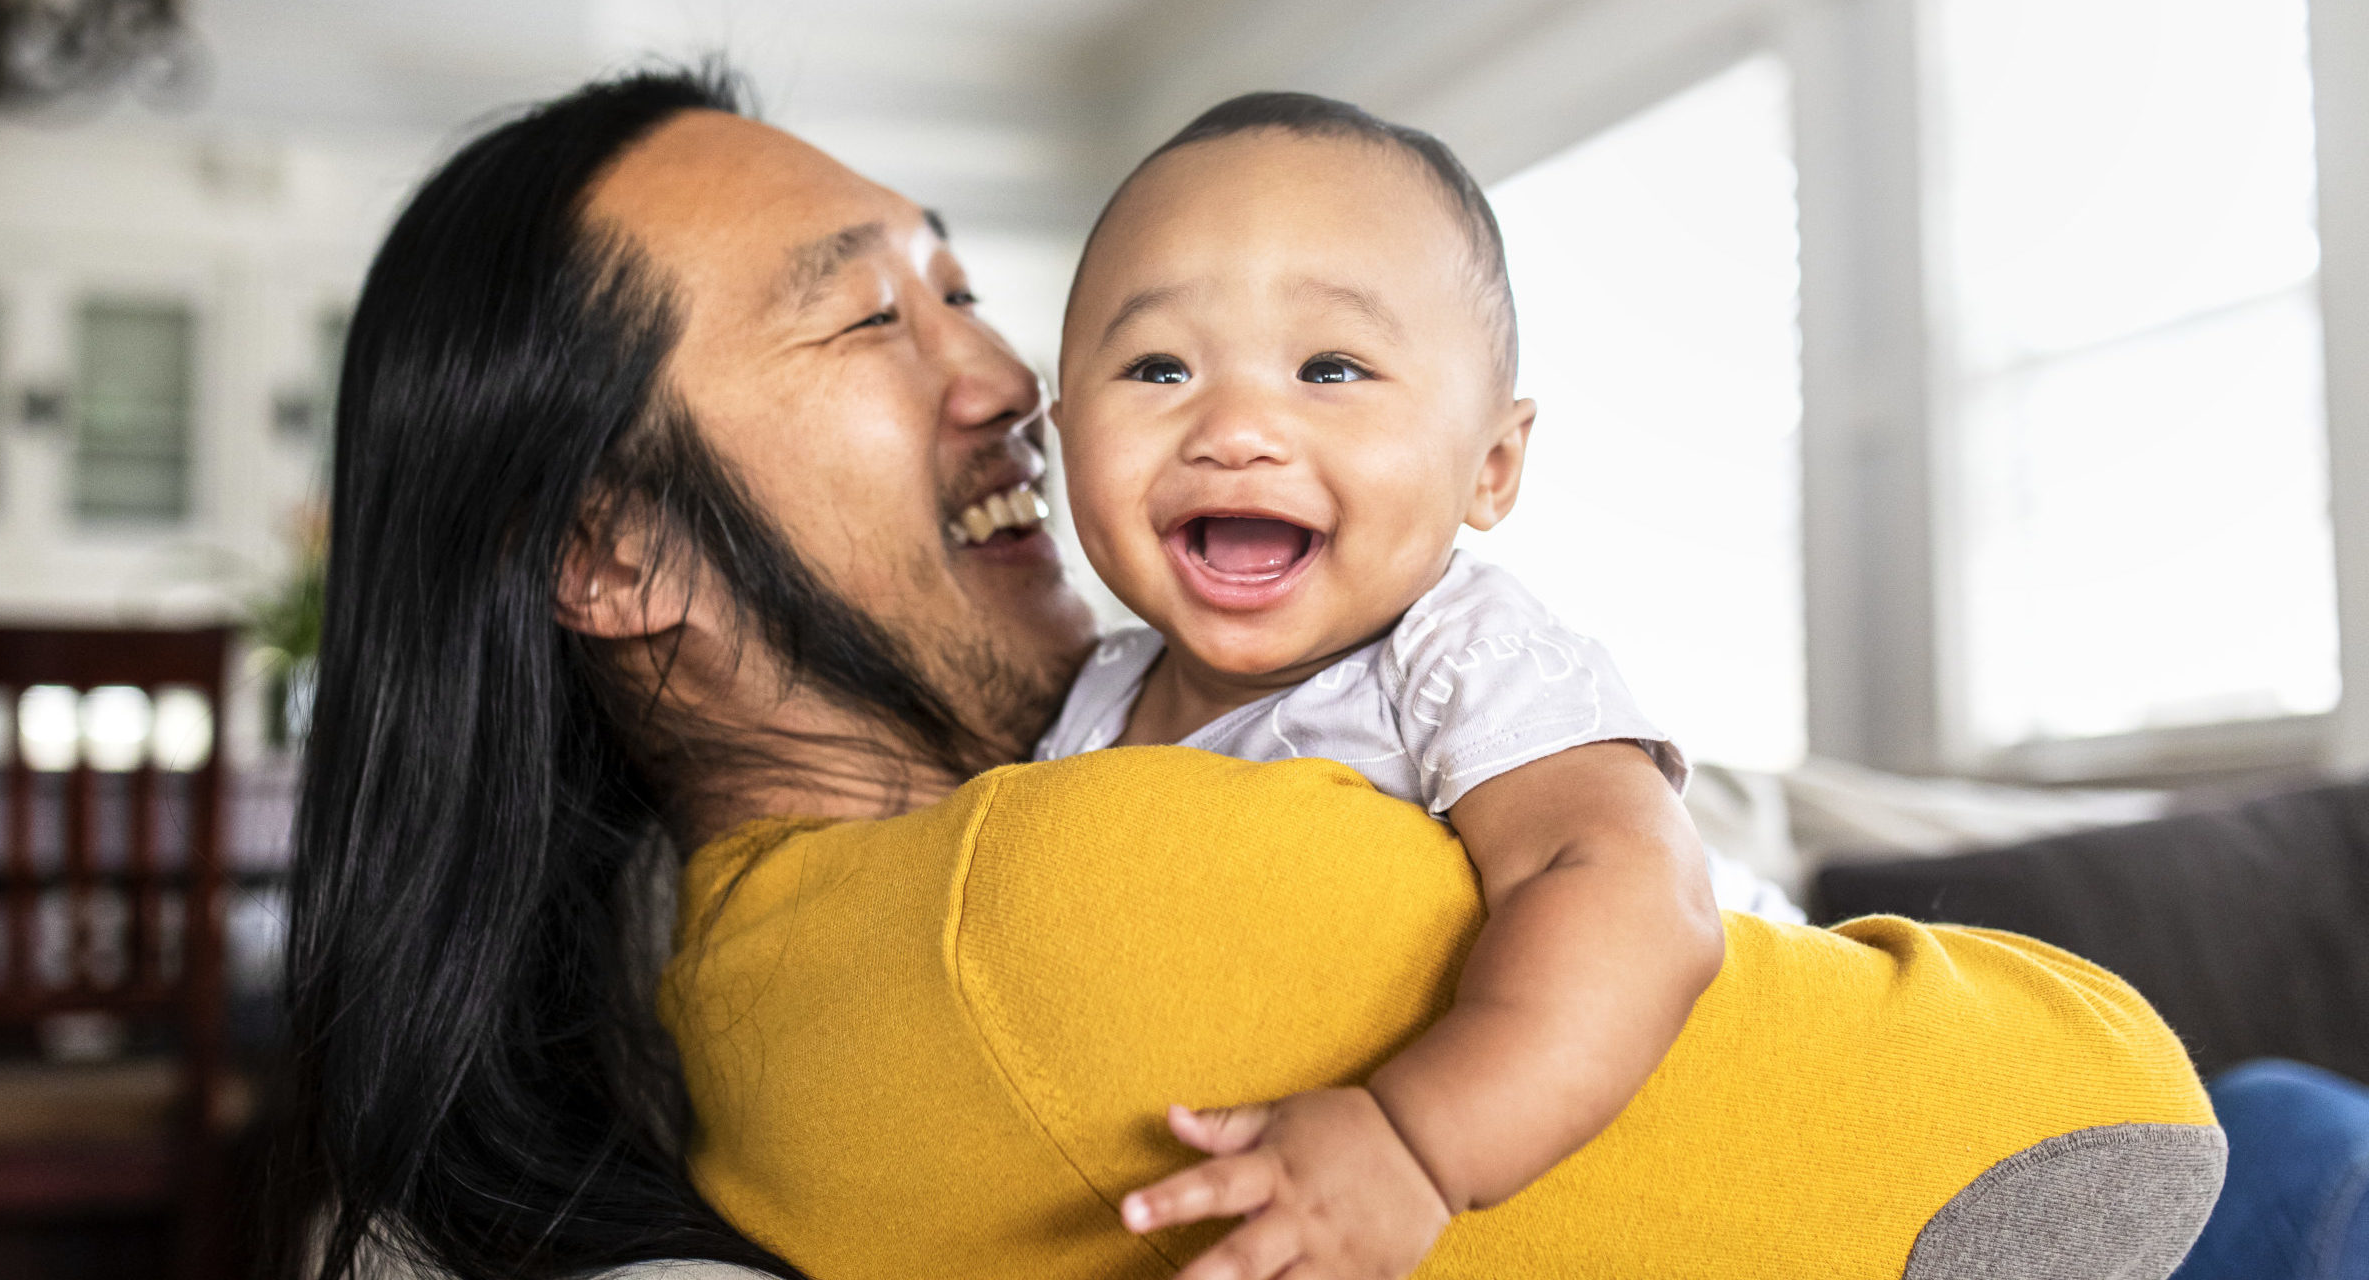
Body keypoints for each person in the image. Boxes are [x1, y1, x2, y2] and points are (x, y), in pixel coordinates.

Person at [270, 63, 2224, 1280]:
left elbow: (1621, 875)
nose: (1006, 380)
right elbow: (2101, 1120)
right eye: (872, 318)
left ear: (1492, 462)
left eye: (964, 288)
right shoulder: (1066, 896)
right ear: (607, 553)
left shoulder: (743, 995)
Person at [1038, 93, 1719, 1278]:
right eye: (1158, 366)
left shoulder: (1460, 653)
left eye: (1331, 366)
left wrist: (1416, 1142)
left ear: (1490, 465)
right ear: (1062, 435)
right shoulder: (1091, 700)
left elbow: (1631, 887)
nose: (1236, 428)